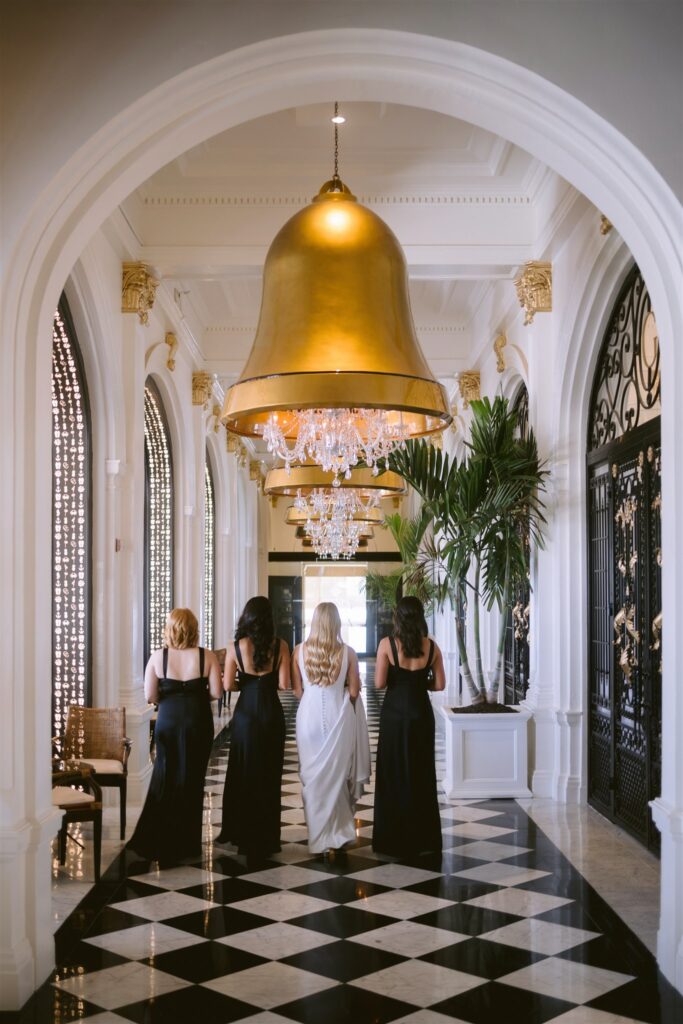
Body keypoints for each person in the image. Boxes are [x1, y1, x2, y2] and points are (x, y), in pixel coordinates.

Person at [129, 608, 222, 867]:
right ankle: (187, 843)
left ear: (169, 629)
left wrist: (169, 698)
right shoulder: (208, 657)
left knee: (165, 776)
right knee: (193, 779)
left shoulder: (159, 657)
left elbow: (150, 695)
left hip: (168, 722)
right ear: (194, 629)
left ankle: (161, 839)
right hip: (198, 722)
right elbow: (216, 692)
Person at [292, 602, 370, 855]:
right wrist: (341, 689)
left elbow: (297, 691)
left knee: (312, 778)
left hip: (308, 718)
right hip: (339, 717)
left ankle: (317, 837)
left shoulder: (299, 651)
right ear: (336, 623)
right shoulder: (348, 652)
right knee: (337, 777)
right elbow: (356, 691)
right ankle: (339, 833)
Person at [216, 596, 290, 860]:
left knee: (243, 770)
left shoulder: (235, 647)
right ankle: (267, 836)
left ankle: (241, 831)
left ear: (246, 617)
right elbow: (284, 685)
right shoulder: (280, 646)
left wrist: (245, 684)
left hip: (246, 713)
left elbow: (227, 686)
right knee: (269, 773)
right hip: (271, 712)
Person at [372, 596, 445, 857]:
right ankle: (422, 838)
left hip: (393, 714)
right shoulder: (431, 646)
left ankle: (393, 838)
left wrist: (399, 681)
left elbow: (379, 683)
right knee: (421, 772)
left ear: (398, 617)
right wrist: (417, 684)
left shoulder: (386, 645)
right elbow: (439, 685)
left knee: (393, 772)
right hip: (421, 713)